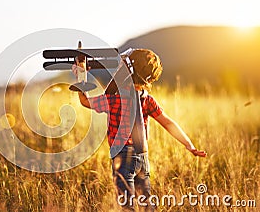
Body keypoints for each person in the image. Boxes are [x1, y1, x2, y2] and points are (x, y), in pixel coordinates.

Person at [73, 48, 207, 211]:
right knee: (146, 205)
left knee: (127, 206)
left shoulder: (115, 100)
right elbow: (168, 123)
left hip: (122, 159)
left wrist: (81, 78)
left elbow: (85, 101)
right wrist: (189, 145)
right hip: (142, 158)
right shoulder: (147, 100)